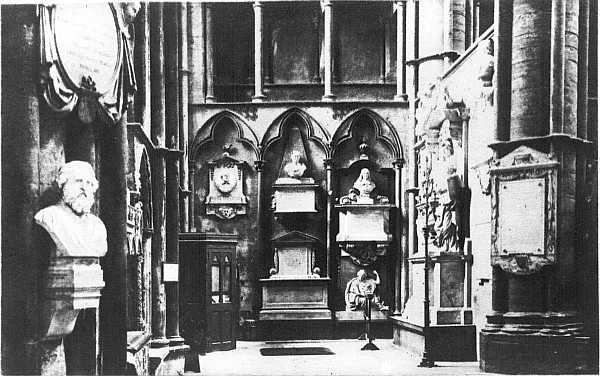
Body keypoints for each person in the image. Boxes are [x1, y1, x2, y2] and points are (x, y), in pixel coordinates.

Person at [34, 161, 107, 258]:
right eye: (78, 181)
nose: (84, 188)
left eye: (88, 183)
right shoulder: (49, 216)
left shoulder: (97, 225)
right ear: (64, 184)